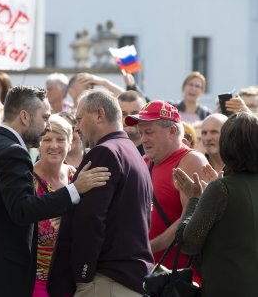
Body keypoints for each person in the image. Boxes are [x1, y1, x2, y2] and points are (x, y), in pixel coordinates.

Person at [0, 85, 110, 297]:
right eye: (44, 117)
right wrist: (75, 189)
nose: (47, 126)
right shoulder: (13, 151)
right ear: (24, 116)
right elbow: (22, 209)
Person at [48, 89, 154, 297]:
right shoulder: (130, 151)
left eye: (79, 119)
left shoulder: (105, 152)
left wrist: (83, 276)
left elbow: (91, 219)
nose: (76, 127)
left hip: (105, 282)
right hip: (124, 280)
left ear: (99, 114)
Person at [173, 112, 258, 297]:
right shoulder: (223, 187)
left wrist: (194, 199)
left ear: (226, 145)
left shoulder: (222, 189)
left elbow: (188, 243)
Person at [125, 100, 209, 284]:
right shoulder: (145, 161)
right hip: (147, 276)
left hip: (180, 280)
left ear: (172, 131)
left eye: (149, 132)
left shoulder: (190, 160)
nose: (143, 139)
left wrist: (145, 248)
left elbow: (191, 220)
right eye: (141, 133)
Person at [32, 114, 75, 296]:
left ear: (70, 144)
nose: (54, 145)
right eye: (47, 139)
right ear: (38, 145)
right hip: (36, 281)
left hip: (71, 278)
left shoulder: (75, 176)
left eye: (61, 139)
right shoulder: (27, 179)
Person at [118, 90, 146, 155]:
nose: (129, 119)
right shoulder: (107, 150)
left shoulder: (158, 151)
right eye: (123, 114)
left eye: (135, 113)